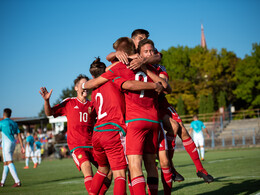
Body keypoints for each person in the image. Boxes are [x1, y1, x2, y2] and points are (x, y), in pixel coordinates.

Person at [84, 37, 171, 195]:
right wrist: (152, 79)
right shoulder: (150, 65)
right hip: (153, 119)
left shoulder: (118, 67)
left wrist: (81, 86)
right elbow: (166, 86)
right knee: (151, 163)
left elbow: (94, 83)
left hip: (133, 121)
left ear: (121, 53)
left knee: (133, 166)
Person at [39, 74, 111, 194]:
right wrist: (47, 100)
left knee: (109, 170)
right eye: (83, 85)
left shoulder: (92, 105)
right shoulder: (69, 103)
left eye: (87, 84)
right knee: (87, 166)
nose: (86, 87)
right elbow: (49, 113)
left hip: (93, 145)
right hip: (77, 146)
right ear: (76, 88)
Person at [0, 108, 25, 187]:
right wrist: (22, 146)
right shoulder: (14, 123)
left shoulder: (1, 122)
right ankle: (2, 182)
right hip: (13, 143)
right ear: (10, 115)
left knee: (9, 162)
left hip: (6, 144)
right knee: (6, 163)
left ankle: (17, 181)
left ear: (3, 114)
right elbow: (19, 135)